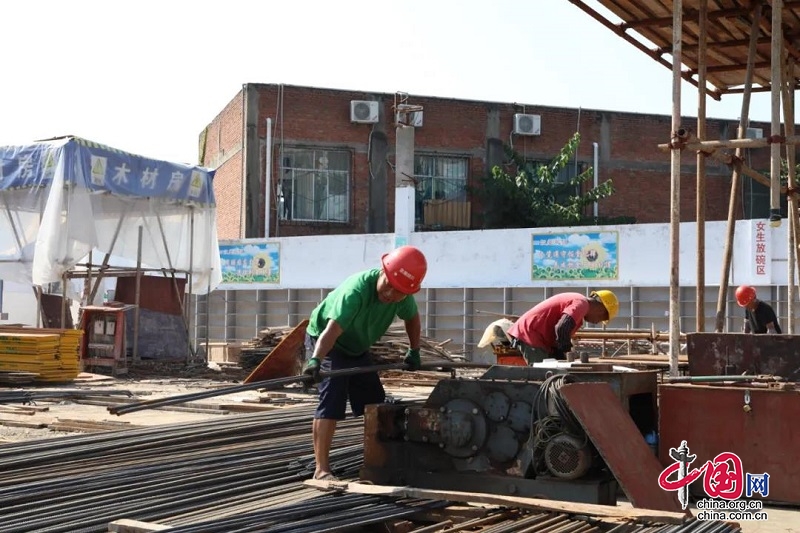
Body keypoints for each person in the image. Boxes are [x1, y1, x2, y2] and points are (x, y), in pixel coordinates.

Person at [301, 245, 427, 481]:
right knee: (332, 398)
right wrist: (316, 360)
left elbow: (413, 319)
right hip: (328, 342)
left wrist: (414, 350)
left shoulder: (403, 296)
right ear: (383, 271)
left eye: (398, 292)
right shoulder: (356, 291)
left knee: (375, 402)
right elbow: (332, 330)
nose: (390, 294)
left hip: (357, 346)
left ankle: (380, 462)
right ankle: (322, 469)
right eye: (388, 286)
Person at [505, 290, 619, 364]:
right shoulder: (581, 304)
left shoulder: (579, 305)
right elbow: (562, 328)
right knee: (544, 377)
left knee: (554, 372)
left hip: (537, 336)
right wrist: (566, 352)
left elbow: (560, 333)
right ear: (601, 309)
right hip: (531, 335)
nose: (597, 322)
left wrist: (561, 355)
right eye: (602, 318)